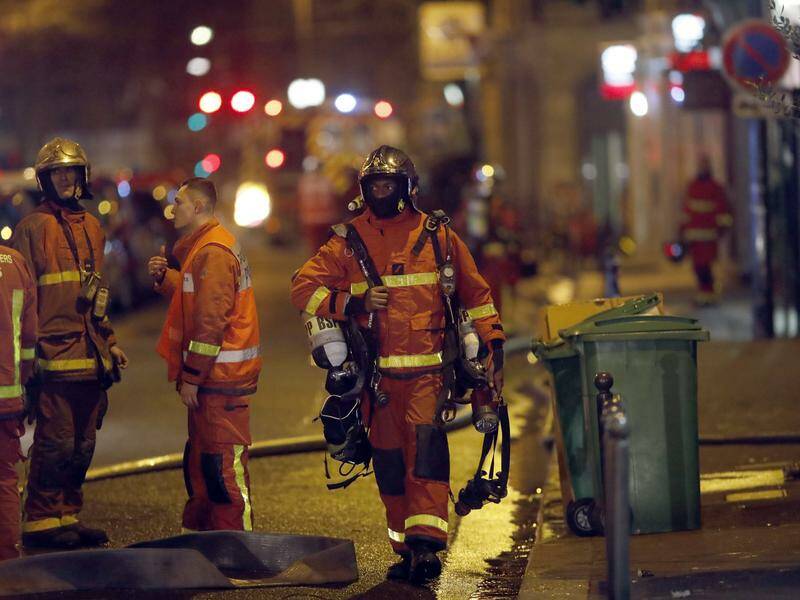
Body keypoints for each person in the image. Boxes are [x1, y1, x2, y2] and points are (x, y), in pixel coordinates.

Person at [291, 146, 505, 584]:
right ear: (364, 190)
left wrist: (493, 343)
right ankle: (404, 547)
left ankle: (427, 547)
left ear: (408, 188)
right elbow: (303, 289)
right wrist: (351, 301)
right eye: (374, 186)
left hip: (429, 376)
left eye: (389, 185)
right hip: (377, 381)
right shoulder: (348, 240)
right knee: (389, 466)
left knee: (425, 460)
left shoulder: (439, 237)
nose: (381, 192)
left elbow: (476, 295)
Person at [10, 138, 128, 549]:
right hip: (52, 357)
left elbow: (98, 295)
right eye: (58, 172)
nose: (65, 178)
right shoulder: (31, 229)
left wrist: (109, 342)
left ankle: (68, 515)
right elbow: (18, 299)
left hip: (90, 355)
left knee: (83, 443)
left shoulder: (92, 226)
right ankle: (41, 522)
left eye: (71, 171)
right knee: (56, 441)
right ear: (45, 179)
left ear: (82, 177)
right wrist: (23, 361)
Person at [149, 178, 261, 532]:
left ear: (197, 207)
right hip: (216, 379)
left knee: (221, 468)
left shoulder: (212, 251)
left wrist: (192, 377)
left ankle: (239, 547)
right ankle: (205, 540)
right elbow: (195, 301)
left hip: (219, 380)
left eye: (178, 202)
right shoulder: (205, 248)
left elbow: (211, 322)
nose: (173, 210)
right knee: (202, 463)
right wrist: (167, 279)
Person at [0, 247, 37, 560]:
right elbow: (29, 336)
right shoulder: (15, 262)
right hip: (8, 396)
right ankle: (8, 561)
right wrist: (21, 382)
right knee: (5, 479)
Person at [679, 156, 732, 306]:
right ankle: (705, 295)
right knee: (699, 267)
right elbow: (686, 211)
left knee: (705, 267)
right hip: (696, 236)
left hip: (707, 235)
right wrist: (683, 229)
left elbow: (722, 211)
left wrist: (722, 229)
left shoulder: (714, 188)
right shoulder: (694, 187)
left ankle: (708, 295)